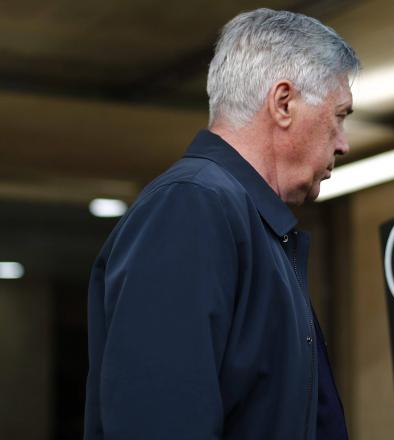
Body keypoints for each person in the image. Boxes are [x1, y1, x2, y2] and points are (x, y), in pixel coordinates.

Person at [83, 8, 359, 440]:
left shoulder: (249, 223)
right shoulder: (191, 206)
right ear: (283, 103)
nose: (343, 143)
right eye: (340, 115)